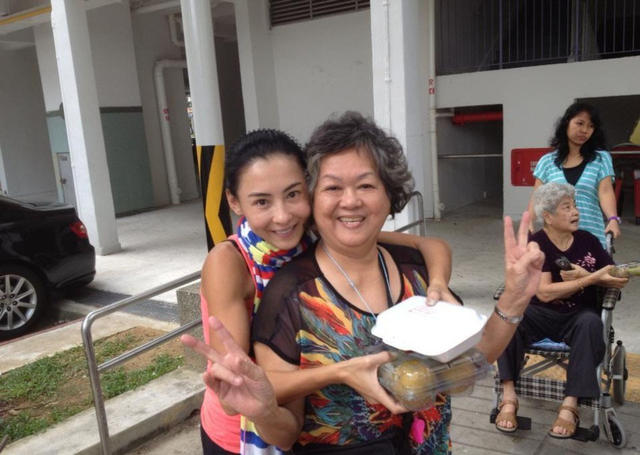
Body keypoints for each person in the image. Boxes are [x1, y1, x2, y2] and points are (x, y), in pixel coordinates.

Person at [246, 112, 544, 454]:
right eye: (332, 187)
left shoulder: (416, 272)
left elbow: (476, 356)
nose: (350, 201)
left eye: (366, 185)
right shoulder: (291, 296)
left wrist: (515, 296)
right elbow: (284, 434)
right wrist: (263, 411)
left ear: (390, 195)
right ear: (312, 200)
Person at [194, 128, 456, 454]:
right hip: (239, 434)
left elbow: (429, 245)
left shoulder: (313, 234)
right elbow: (233, 392)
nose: (282, 215)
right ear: (234, 201)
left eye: (293, 194)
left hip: (297, 421)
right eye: (262, 201)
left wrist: (437, 284)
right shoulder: (229, 262)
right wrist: (342, 372)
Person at [496, 182, 628, 438]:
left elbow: (617, 277)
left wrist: (585, 275)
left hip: (579, 316)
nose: (575, 212)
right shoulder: (536, 244)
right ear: (548, 216)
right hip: (540, 314)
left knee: (591, 323)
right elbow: (545, 292)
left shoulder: (588, 240)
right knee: (509, 317)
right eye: (567, 207)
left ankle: (570, 405)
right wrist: (592, 278)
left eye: (574, 206)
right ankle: (508, 396)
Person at [528, 102, 620, 248]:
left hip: (592, 236)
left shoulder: (601, 159)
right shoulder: (547, 162)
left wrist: (613, 219)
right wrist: (528, 222)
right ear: (566, 123)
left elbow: (605, 191)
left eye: (591, 126)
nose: (585, 130)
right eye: (580, 123)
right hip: (555, 239)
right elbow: (537, 197)